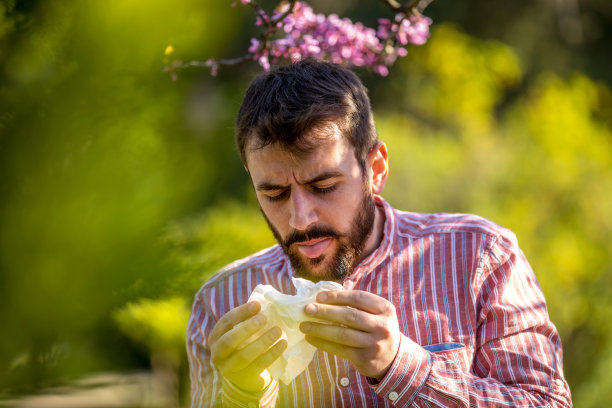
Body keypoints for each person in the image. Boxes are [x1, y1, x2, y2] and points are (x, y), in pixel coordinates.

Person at [186, 59, 572, 407]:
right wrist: (241, 395)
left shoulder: (482, 256)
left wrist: (402, 366)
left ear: (376, 168)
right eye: (274, 194)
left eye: (324, 186)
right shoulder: (221, 302)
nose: (300, 219)